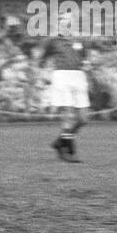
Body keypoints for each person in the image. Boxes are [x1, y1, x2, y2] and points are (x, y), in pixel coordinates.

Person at [38, 15, 89, 162]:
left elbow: (85, 58)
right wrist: (43, 75)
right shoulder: (52, 41)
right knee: (67, 114)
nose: (65, 26)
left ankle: (61, 142)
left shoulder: (81, 40)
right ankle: (67, 149)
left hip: (79, 77)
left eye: (68, 23)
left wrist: (86, 63)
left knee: (83, 118)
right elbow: (42, 59)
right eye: (62, 23)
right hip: (61, 76)